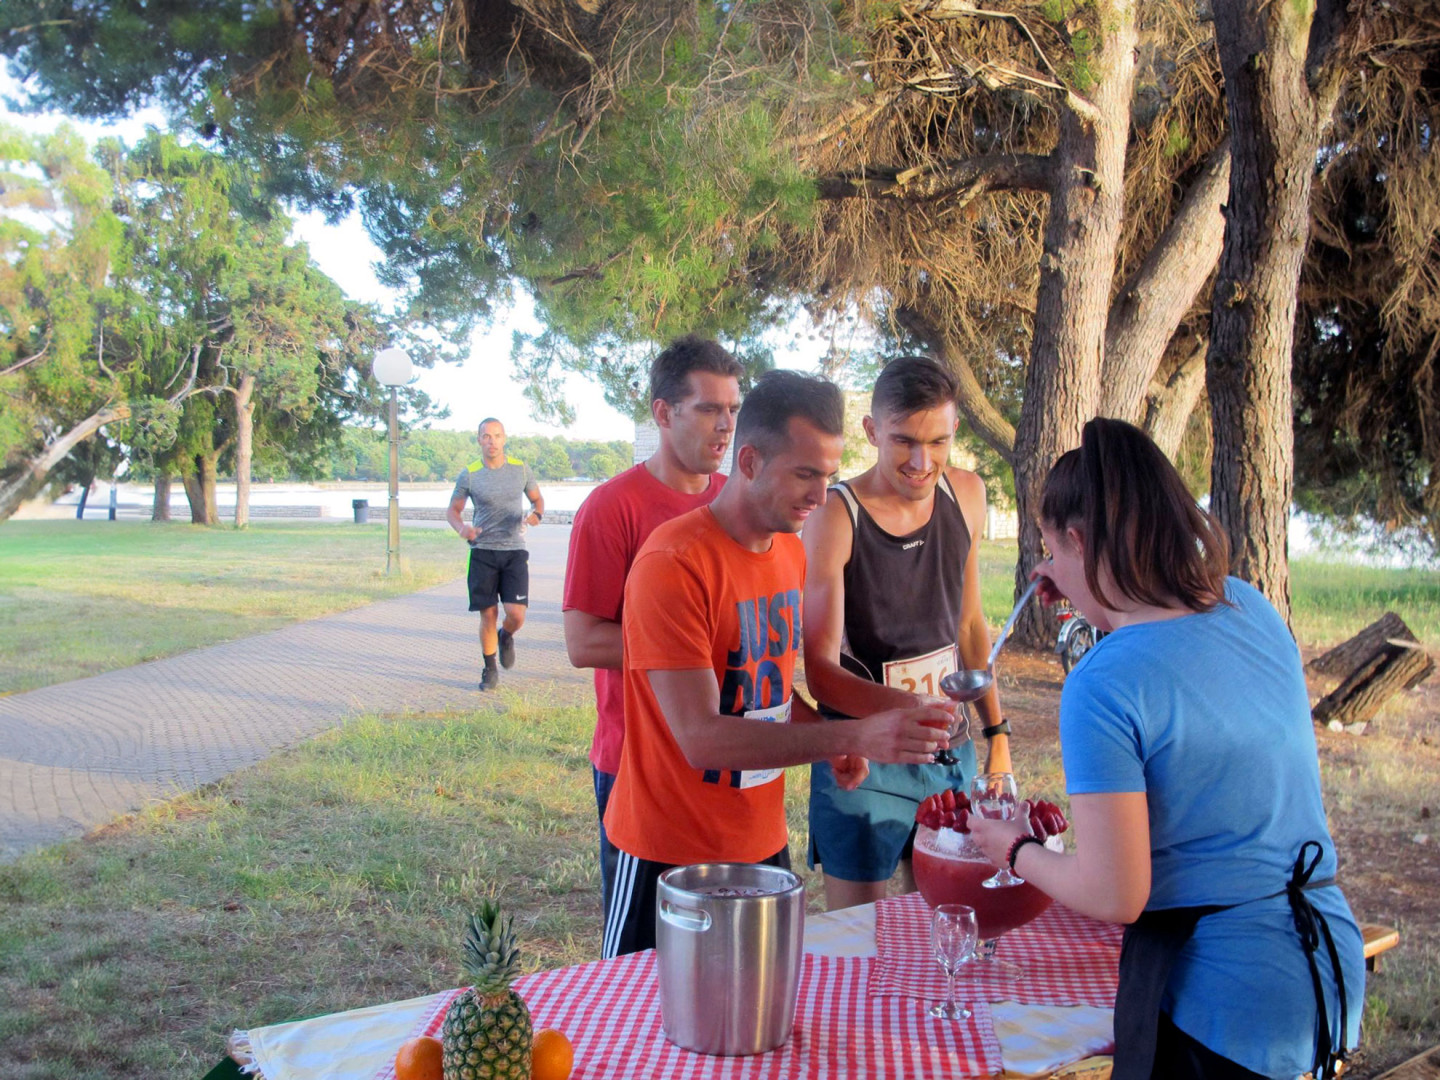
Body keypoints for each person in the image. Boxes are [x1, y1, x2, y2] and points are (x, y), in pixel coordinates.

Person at [968, 418, 1364, 1080]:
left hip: (1228, 995)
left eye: (1053, 550)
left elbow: (1115, 893)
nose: (1051, 566)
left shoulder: (1103, 684)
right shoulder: (1247, 606)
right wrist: (1084, 587)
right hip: (1325, 959)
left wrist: (1014, 849)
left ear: (1078, 541)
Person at [601, 370, 958, 958]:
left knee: (763, 1005)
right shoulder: (674, 562)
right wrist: (852, 735)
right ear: (749, 461)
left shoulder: (789, 550)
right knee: (645, 1009)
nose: (821, 496)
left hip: (761, 841)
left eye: (829, 476)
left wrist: (825, 739)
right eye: (805, 475)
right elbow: (702, 738)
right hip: (666, 851)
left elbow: (760, 686)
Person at [803, 355, 1006, 911]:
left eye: (938, 442)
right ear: (872, 432)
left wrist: (998, 735)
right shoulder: (835, 515)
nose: (922, 462)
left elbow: (969, 625)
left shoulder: (967, 494)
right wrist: (909, 709)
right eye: (904, 442)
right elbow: (820, 672)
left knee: (953, 921)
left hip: (949, 753)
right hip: (864, 759)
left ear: (955, 429)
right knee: (858, 932)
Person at [562, 335, 743, 926]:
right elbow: (583, 641)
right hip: (638, 762)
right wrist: (687, 646)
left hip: (725, 750)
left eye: (733, 409)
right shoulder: (612, 507)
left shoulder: (735, 502)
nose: (725, 426)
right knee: (643, 947)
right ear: (663, 414)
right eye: (709, 409)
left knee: (722, 934)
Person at [446, 418, 544, 691]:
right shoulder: (470, 474)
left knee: (516, 614)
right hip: (483, 551)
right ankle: (489, 669)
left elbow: (537, 500)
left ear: (504, 439)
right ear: (479, 440)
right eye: (487, 436)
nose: (492, 441)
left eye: (497, 436)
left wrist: (536, 514)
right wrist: (462, 529)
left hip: (514, 551)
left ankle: (507, 634)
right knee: (487, 614)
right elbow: (453, 510)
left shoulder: (520, 469)